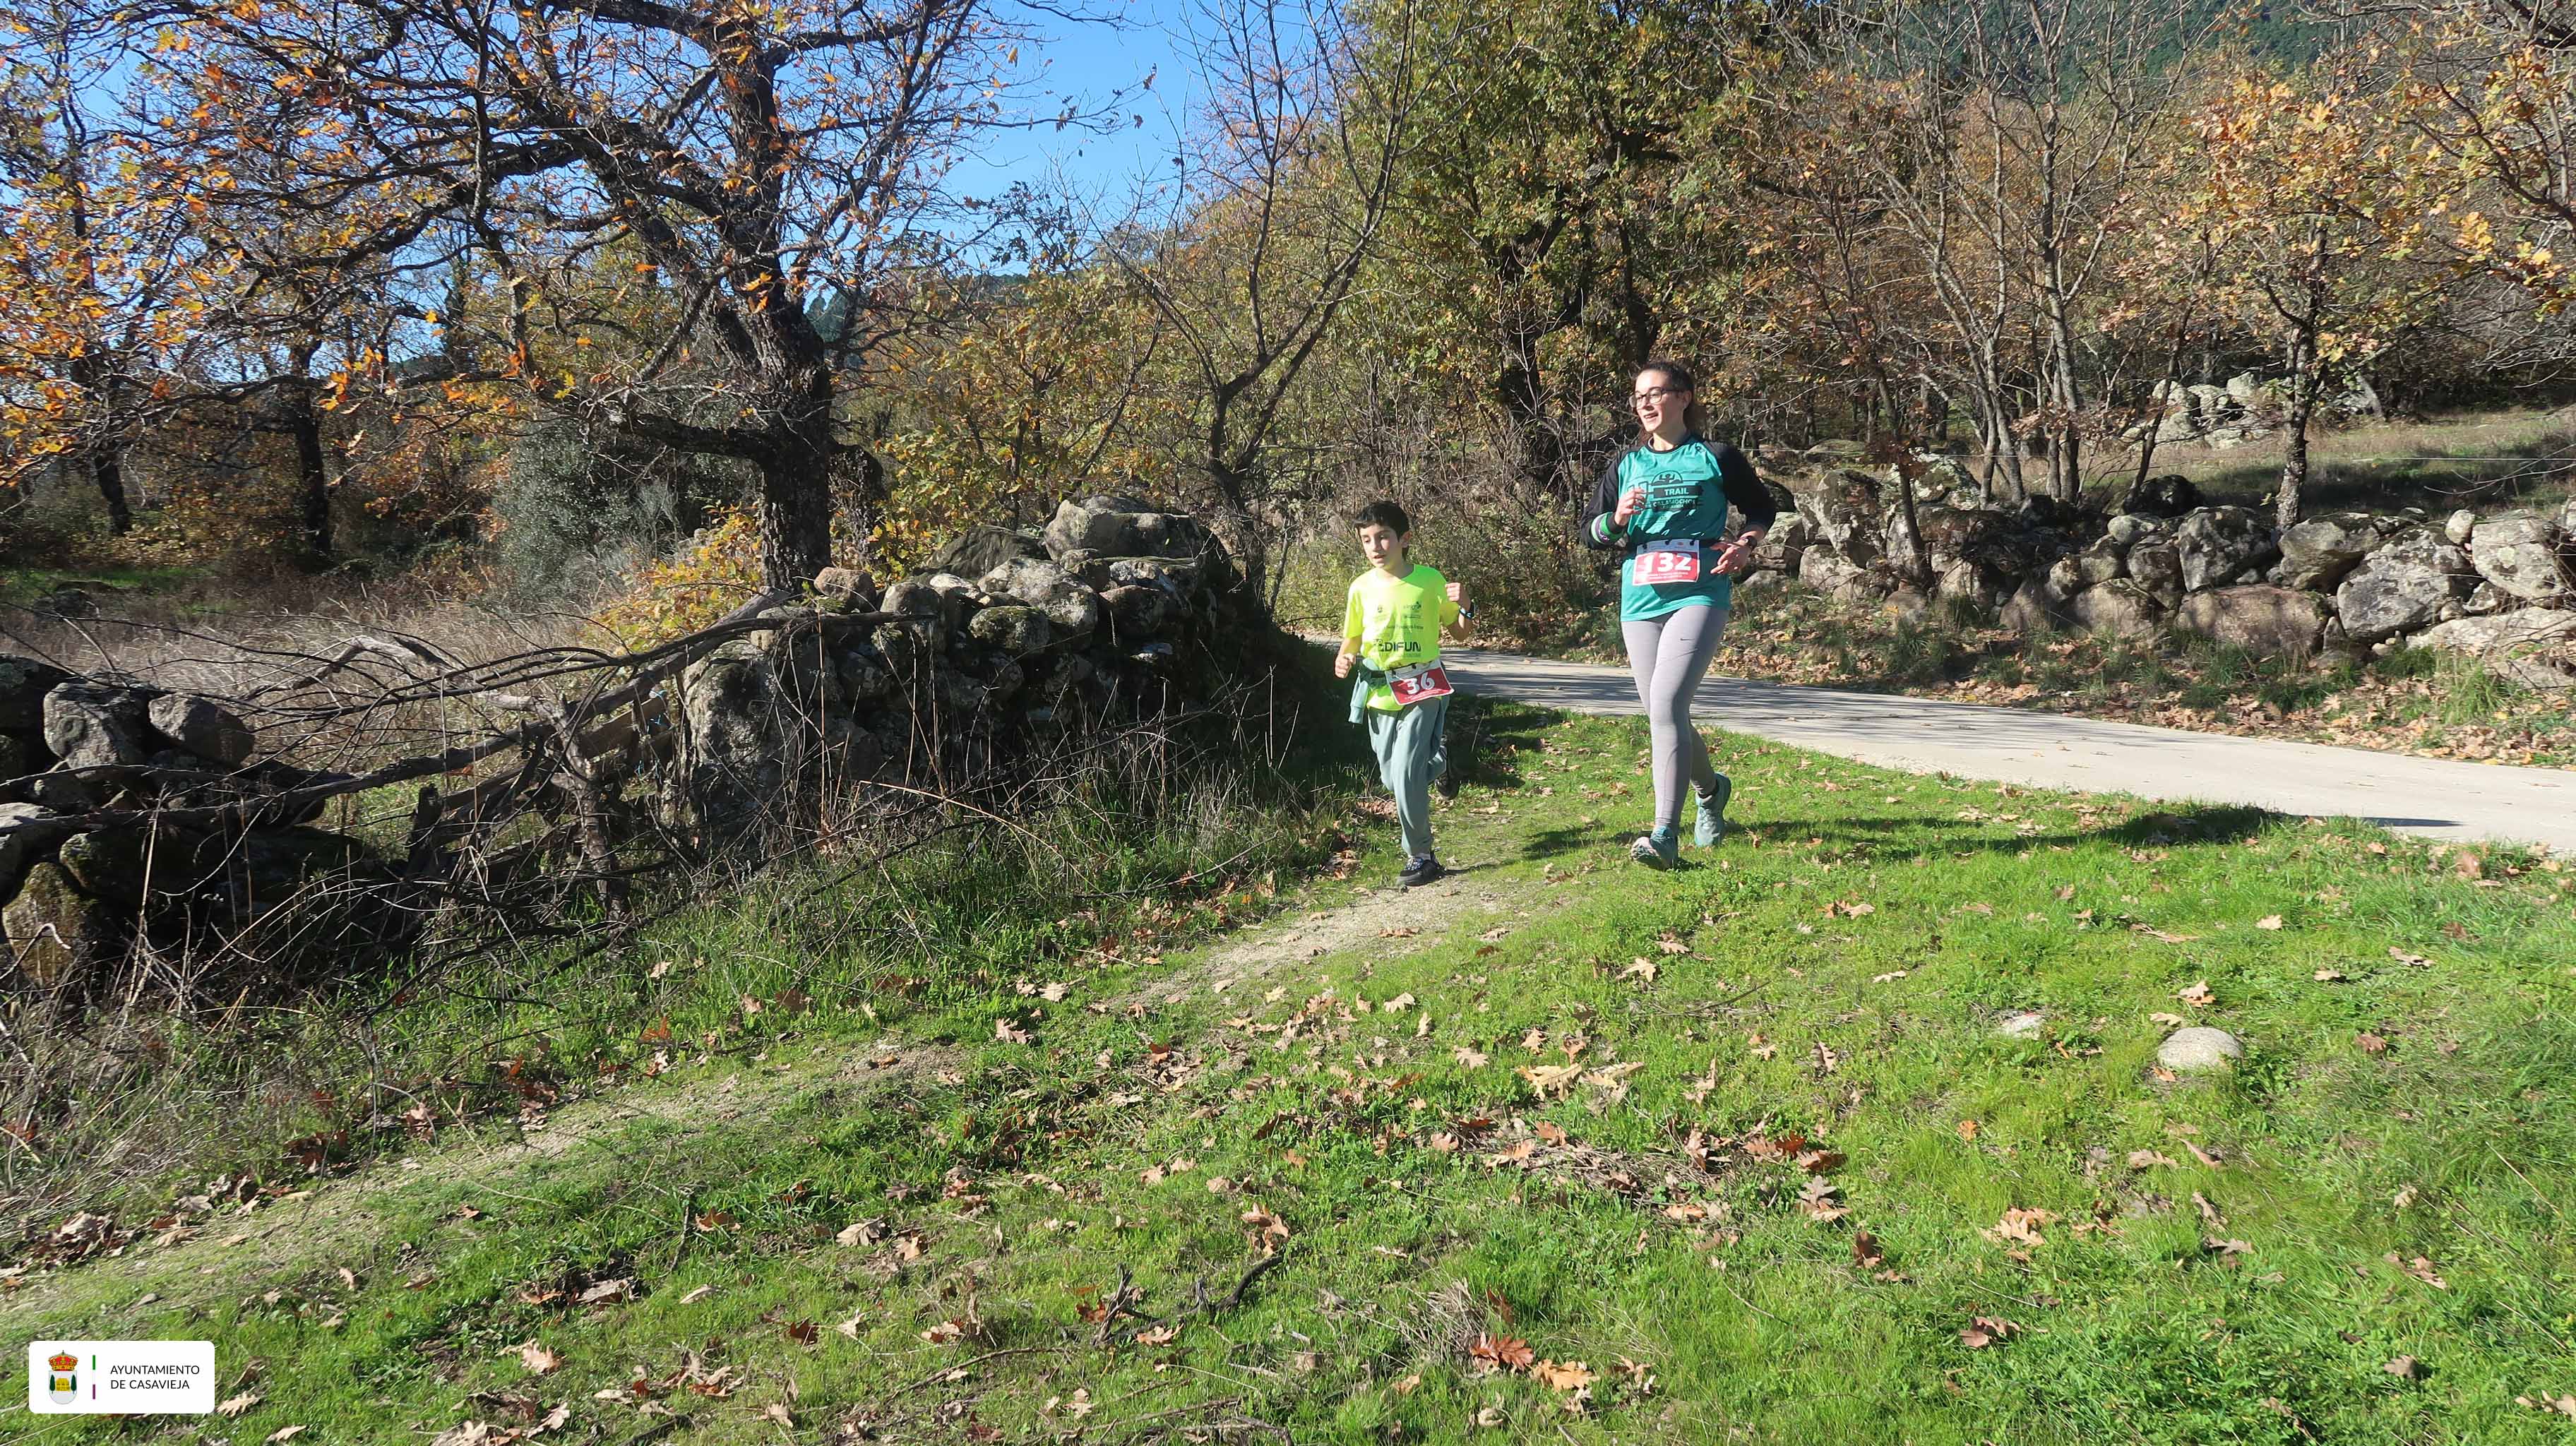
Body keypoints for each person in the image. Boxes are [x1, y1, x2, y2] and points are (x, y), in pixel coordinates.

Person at [1580, 360, 1776, 868]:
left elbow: (1762, 508)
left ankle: (1664, 834)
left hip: (1700, 591)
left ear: (1684, 397)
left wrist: (1746, 544)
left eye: (1656, 393)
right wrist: (1616, 519)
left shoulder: (1716, 456)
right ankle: (1711, 790)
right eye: (1638, 396)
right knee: (1664, 713)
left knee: (1667, 704)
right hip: (1641, 596)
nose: (1645, 403)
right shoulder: (1626, 465)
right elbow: (1589, 532)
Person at [1335, 501, 1471, 888]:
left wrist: (1466, 605)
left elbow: (1461, 633)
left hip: (1424, 686)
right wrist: (1344, 658)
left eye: (1383, 538)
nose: (1375, 547)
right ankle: (1442, 761)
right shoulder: (1361, 587)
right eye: (1367, 540)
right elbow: (1353, 637)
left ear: (1404, 539)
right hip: (1379, 692)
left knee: (1408, 774)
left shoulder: (1429, 580)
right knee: (1393, 780)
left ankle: (1422, 856)